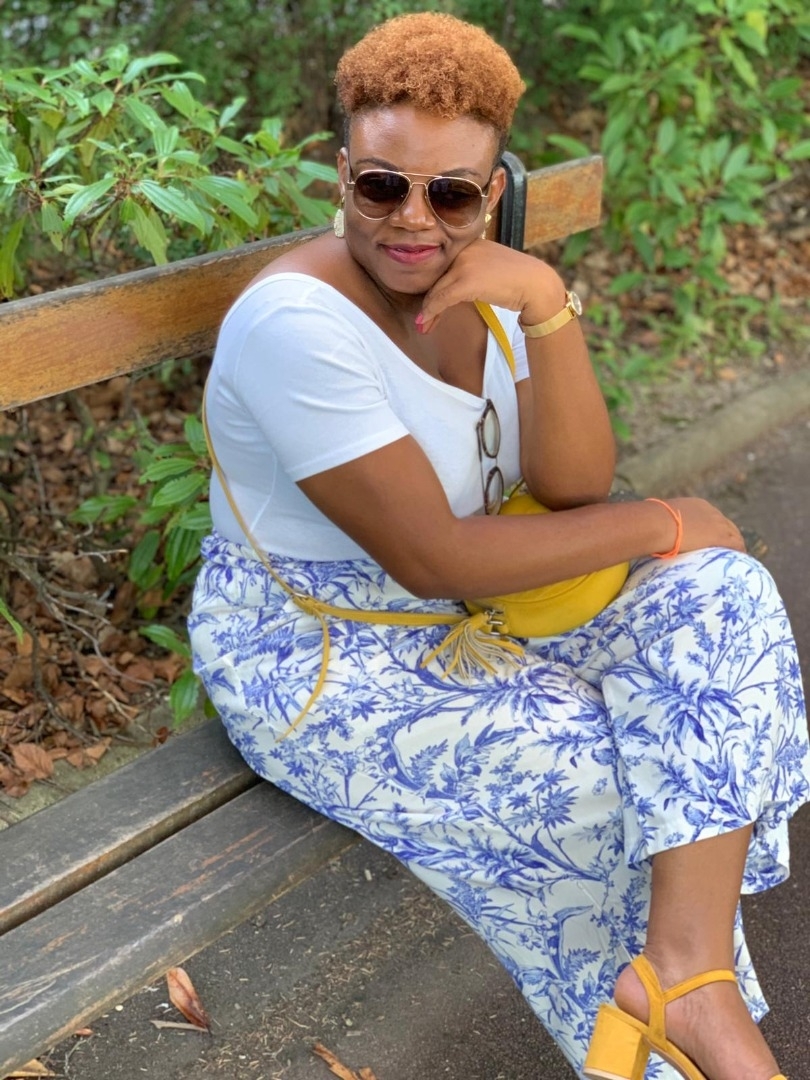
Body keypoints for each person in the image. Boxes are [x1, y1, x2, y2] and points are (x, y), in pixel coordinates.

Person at [188, 12, 809, 1079]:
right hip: (323, 649)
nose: (413, 220)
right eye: (382, 186)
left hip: (476, 612)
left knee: (726, 597)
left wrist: (548, 306)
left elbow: (569, 486)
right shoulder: (295, 325)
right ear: (342, 176)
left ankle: (686, 978)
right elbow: (436, 557)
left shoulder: (486, 283)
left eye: (451, 194)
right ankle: (669, 1040)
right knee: (602, 779)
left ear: (491, 189)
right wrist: (664, 520)